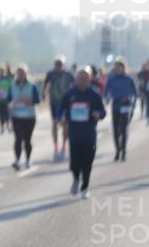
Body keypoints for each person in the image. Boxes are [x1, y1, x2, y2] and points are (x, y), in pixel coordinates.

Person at [60, 67, 106, 199]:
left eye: (85, 79)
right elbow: (60, 109)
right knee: (74, 163)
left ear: (89, 79)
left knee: (87, 163)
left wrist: (99, 114)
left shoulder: (94, 95)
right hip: (74, 133)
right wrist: (60, 118)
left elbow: (103, 112)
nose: (82, 81)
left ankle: (85, 186)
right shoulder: (69, 94)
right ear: (76, 80)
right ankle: (76, 178)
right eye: (79, 79)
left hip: (89, 134)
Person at [104, 58, 138, 161]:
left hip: (126, 106)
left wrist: (132, 102)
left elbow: (135, 93)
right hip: (116, 105)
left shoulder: (128, 79)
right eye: (116, 67)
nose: (118, 69)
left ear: (124, 68)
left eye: (120, 67)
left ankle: (124, 151)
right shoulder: (111, 79)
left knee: (124, 129)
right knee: (115, 130)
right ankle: (117, 151)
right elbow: (106, 91)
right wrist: (107, 98)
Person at [9, 64, 41, 170]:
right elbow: (8, 99)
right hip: (16, 116)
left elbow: (37, 100)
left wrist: (28, 101)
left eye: (22, 73)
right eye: (19, 73)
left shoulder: (32, 86)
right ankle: (17, 160)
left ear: (26, 73)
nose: (20, 75)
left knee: (27, 139)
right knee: (18, 138)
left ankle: (27, 159)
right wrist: (11, 105)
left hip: (29, 117)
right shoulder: (12, 85)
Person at [42, 56, 75, 160]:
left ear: (63, 65)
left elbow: (75, 85)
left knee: (65, 125)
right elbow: (45, 84)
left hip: (66, 103)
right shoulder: (51, 74)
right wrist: (43, 94)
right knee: (55, 123)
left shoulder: (69, 74)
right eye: (56, 64)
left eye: (60, 64)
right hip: (54, 103)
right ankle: (56, 146)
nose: (58, 67)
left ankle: (64, 146)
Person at [0, 63, 14, 134]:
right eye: (0, 71)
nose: (1, 73)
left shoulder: (7, 78)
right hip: (0, 99)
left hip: (6, 99)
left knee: (7, 114)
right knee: (1, 114)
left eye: (2, 71)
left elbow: (12, 79)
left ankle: (8, 126)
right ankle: (2, 127)